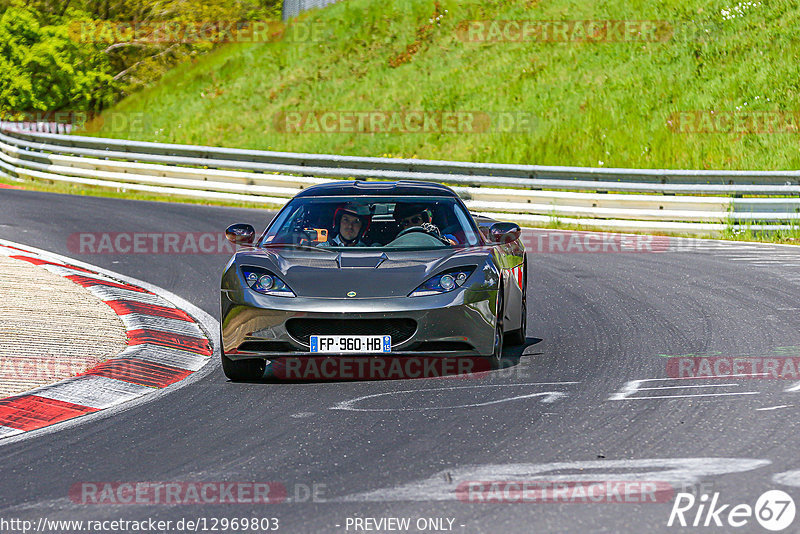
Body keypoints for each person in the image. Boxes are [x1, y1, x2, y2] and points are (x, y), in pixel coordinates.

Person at [393, 203, 457, 245]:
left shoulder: (441, 236)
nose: (411, 225)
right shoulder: (396, 240)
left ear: (424, 220)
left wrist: (438, 238)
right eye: (406, 222)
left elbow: (455, 246)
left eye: (415, 220)